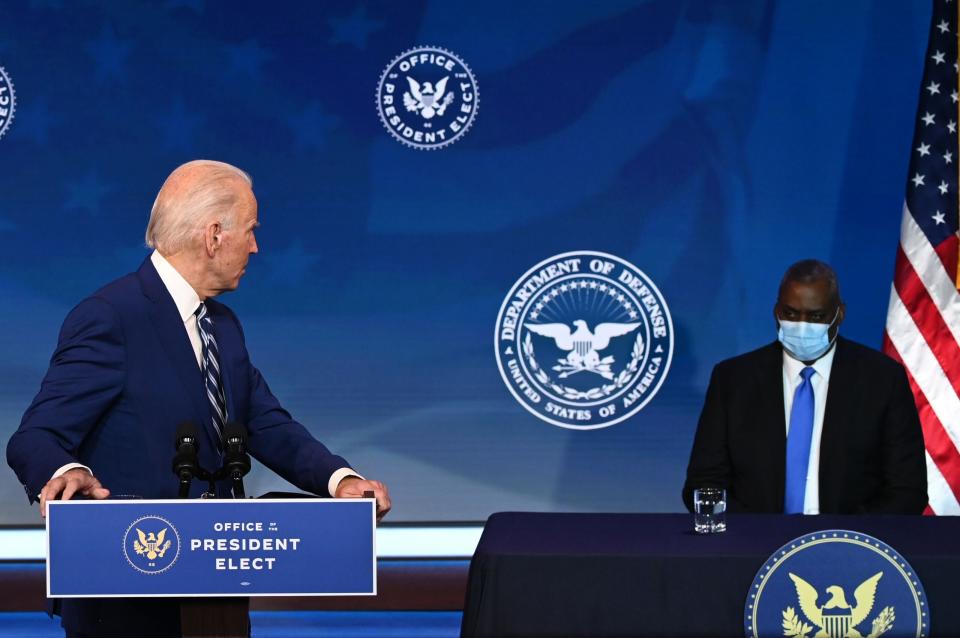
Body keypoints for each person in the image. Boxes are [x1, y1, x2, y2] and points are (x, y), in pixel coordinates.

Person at [6, 160, 391, 637]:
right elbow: (35, 436)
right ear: (214, 236)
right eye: (250, 230)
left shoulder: (223, 326)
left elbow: (266, 423)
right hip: (127, 599)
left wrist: (340, 480)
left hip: (214, 597)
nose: (256, 245)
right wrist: (66, 472)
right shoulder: (111, 317)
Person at [682, 259, 927, 515]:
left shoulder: (882, 380)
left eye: (816, 316)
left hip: (849, 546)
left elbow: (908, 489)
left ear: (839, 314)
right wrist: (752, 534)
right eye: (790, 313)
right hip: (753, 545)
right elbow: (703, 484)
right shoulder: (733, 379)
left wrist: (847, 538)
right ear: (776, 311)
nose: (801, 325)